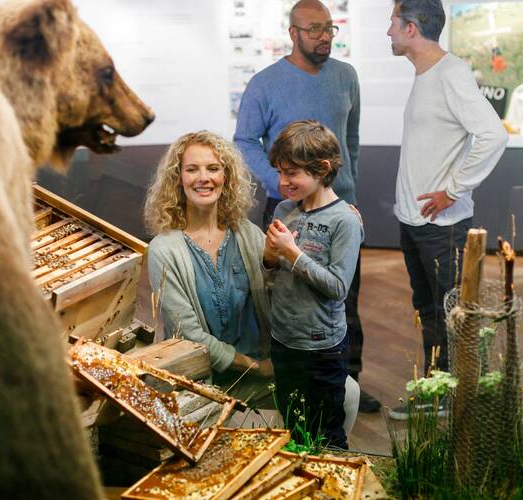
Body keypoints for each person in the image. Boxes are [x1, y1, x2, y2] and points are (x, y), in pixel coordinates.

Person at [144, 131, 359, 434]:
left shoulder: (246, 233)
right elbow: (188, 335)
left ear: (227, 177)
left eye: (213, 168)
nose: (203, 178)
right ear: (177, 178)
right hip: (204, 379)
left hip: (265, 370)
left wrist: (343, 216)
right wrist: (255, 366)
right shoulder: (164, 249)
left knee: (348, 393)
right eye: (192, 169)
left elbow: (282, 284)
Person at [235, 0, 380, 413]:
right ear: (293, 33)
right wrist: (282, 188)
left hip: (339, 207)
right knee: (285, 292)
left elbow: (350, 142)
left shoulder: (346, 76)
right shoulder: (264, 83)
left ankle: (347, 382)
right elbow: (244, 141)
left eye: (330, 29)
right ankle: (286, 374)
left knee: (344, 298)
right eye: (314, 29)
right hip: (287, 208)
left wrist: (346, 192)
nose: (324, 37)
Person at [385, 0, 508, 419]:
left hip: (442, 226)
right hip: (417, 221)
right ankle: (441, 396)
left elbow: (493, 135)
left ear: (412, 28)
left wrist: (453, 189)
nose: (389, 32)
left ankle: (467, 405)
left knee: (454, 316)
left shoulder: (450, 73)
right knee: (433, 312)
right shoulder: (427, 74)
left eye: (393, 24)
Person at [263, 120, 363, 450]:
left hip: (322, 349)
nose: (282, 182)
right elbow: (271, 273)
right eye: (279, 172)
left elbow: (337, 288)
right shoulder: (283, 209)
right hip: (284, 340)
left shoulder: (344, 221)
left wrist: (292, 254)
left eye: (291, 173)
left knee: (327, 433)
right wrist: (269, 256)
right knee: (292, 427)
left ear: (322, 169)